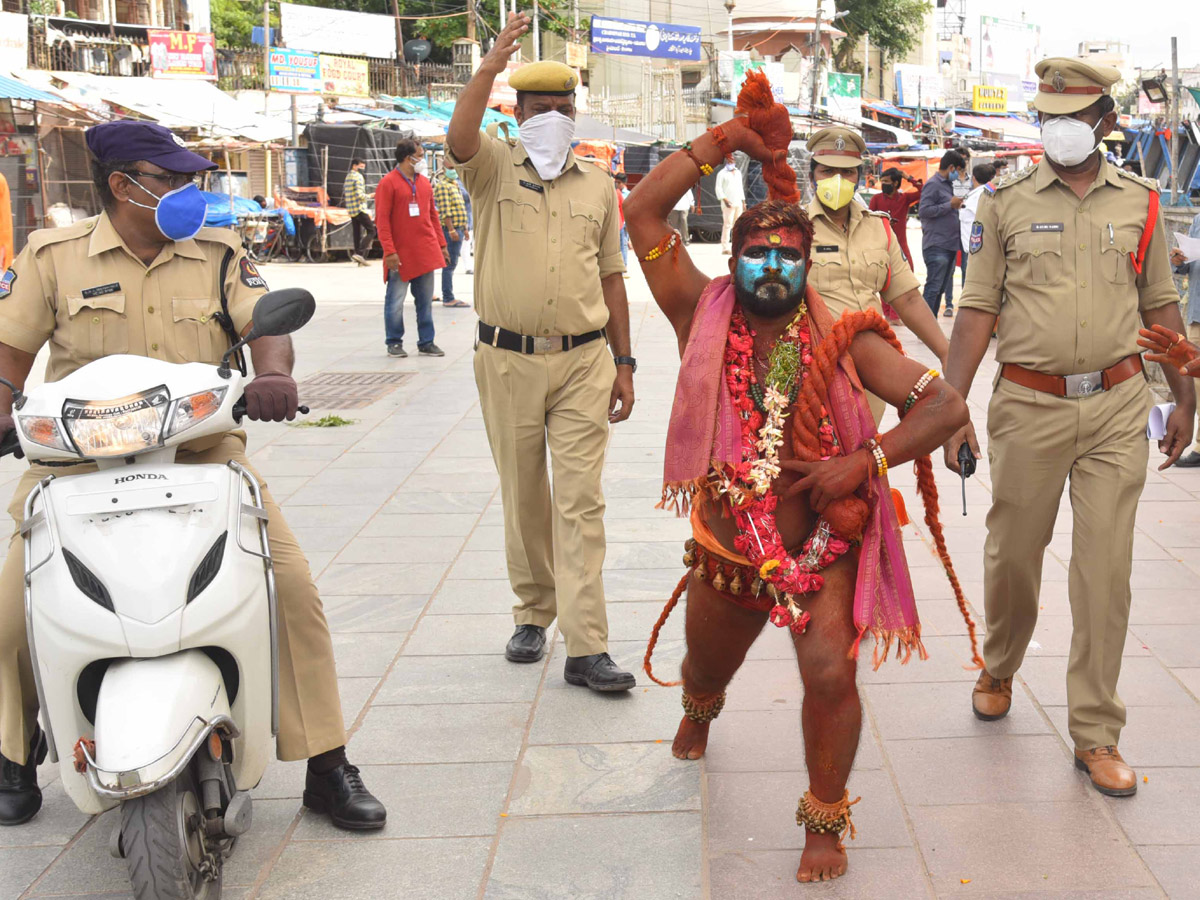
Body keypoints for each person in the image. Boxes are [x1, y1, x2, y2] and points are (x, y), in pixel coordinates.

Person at [624, 72, 972, 883]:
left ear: (809, 261)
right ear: (731, 257)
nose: (773, 267)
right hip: (729, 546)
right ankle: (699, 712)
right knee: (706, 670)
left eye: (789, 254)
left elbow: (945, 405)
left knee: (829, 671)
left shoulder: (847, 337)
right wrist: (730, 142)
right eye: (756, 254)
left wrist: (868, 458)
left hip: (825, 542)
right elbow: (641, 213)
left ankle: (824, 820)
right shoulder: (694, 312)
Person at [0, 120, 385, 829]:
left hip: (203, 458)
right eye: (171, 180)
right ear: (122, 187)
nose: (189, 192)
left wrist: (273, 376)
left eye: (191, 179)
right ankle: (13, 752)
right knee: (9, 605)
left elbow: (265, 324)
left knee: (290, 589)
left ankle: (327, 765)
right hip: (77, 468)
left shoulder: (219, 250)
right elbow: (9, 354)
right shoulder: (51, 258)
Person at [943, 57, 1195, 798]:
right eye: (1046, 116)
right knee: (1014, 553)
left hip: (1118, 407)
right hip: (1028, 406)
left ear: (1105, 124)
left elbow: (1162, 313)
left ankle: (1096, 732)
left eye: (1073, 118)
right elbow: (976, 313)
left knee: (1105, 572)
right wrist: (951, 409)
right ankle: (1000, 660)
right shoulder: (1003, 202)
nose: (1059, 130)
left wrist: (1185, 399)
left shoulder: (1141, 203)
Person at [446, 16, 637, 692]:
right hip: (507, 359)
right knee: (524, 493)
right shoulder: (495, 167)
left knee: (581, 501)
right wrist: (488, 69)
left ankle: (587, 646)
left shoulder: (598, 185)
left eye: (564, 108)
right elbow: (458, 138)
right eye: (541, 109)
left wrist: (625, 362)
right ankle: (533, 612)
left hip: (585, 360)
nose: (554, 118)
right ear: (519, 114)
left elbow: (612, 275)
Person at [803, 126, 951, 424]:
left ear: (859, 177)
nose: (837, 180)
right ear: (811, 176)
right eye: (827, 171)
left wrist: (946, 353)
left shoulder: (878, 227)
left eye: (847, 173)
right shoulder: (794, 228)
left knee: (865, 455)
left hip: (871, 371)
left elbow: (907, 298)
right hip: (814, 370)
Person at [375, 138, 448, 358]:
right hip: (400, 254)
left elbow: (433, 216)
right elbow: (382, 221)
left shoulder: (424, 183)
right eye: (421, 154)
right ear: (409, 158)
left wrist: (442, 244)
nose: (423, 159)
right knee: (395, 302)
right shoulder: (388, 183)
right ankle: (394, 342)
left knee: (425, 302)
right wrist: (389, 251)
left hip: (425, 251)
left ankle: (427, 342)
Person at [918, 150, 967, 318]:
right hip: (937, 245)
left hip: (950, 244)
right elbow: (923, 211)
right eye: (959, 170)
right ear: (951, 167)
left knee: (940, 288)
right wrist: (949, 205)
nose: (960, 175)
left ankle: (932, 328)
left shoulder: (949, 185)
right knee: (933, 287)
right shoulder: (933, 184)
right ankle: (925, 327)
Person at [1169, 211, 1200, 466]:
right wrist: (1179, 260)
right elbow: (1187, 266)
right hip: (1198, 313)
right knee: (1196, 381)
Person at [432, 163, 471, 308]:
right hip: (451, 230)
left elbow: (461, 207)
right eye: (451, 167)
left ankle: (448, 295)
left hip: (459, 228)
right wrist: (451, 230)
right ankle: (448, 297)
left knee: (452, 263)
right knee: (449, 264)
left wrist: (465, 228)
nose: (453, 170)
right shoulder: (443, 186)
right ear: (444, 169)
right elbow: (445, 210)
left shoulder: (455, 185)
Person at [868, 167, 922, 270]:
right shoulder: (876, 199)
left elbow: (923, 191)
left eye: (886, 181)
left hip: (901, 246)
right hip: (881, 247)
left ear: (895, 183)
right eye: (882, 181)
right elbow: (869, 219)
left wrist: (909, 178)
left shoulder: (904, 198)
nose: (883, 184)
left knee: (909, 272)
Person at [957, 162, 996, 287]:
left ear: (973, 178)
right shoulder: (988, 192)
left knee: (971, 285)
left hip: (974, 249)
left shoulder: (977, 196)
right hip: (980, 247)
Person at [343, 157, 374, 266]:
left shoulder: (348, 176)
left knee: (357, 233)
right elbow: (360, 195)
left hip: (351, 209)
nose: (362, 169)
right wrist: (371, 195)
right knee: (371, 231)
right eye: (361, 166)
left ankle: (358, 257)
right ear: (354, 166)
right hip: (359, 208)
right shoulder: (358, 177)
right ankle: (360, 253)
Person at [714, 156, 746, 254]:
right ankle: (725, 247)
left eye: (732, 160)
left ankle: (737, 246)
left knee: (737, 225)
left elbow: (740, 188)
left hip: (738, 202)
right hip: (728, 203)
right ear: (726, 162)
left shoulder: (738, 172)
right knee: (727, 225)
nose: (731, 162)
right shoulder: (722, 173)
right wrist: (725, 200)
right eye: (729, 160)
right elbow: (718, 188)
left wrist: (743, 202)